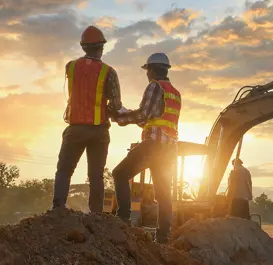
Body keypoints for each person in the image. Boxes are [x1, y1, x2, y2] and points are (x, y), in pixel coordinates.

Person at [52, 25, 128, 213]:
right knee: (96, 175)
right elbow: (117, 105)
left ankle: (58, 209)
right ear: (101, 48)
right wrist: (126, 116)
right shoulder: (108, 72)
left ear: (83, 47)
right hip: (99, 130)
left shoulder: (70, 67)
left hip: (75, 128)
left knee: (64, 170)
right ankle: (96, 214)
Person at [112, 52, 181, 244]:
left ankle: (123, 219)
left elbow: (143, 115)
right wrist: (129, 117)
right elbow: (153, 120)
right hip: (169, 148)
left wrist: (120, 117)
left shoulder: (154, 86)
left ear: (151, 70)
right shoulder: (174, 92)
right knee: (163, 191)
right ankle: (163, 235)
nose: (147, 74)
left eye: (147, 70)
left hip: (154, 145)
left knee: (119, 174)